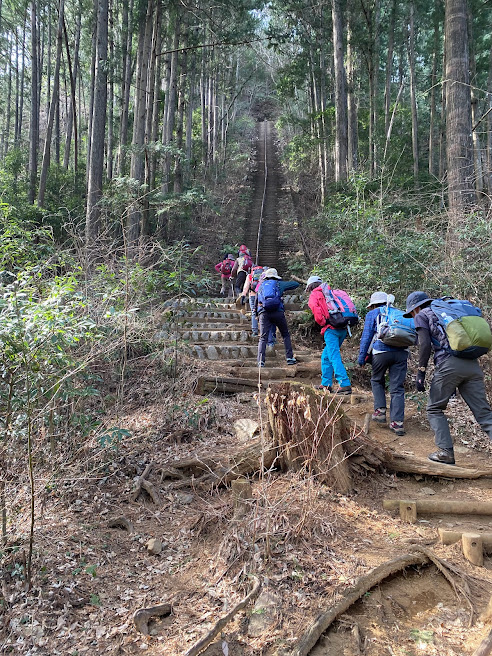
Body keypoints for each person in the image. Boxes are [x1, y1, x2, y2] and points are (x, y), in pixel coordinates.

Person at [403, 291, 492, 464]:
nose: (413, 316)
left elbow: (425, 345)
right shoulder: (448, 312)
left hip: (449, 365)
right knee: (484, 415)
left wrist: (421, 372)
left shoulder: (422, 315)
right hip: (472, 365)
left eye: (411, 313)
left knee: (434, 408)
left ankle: (445, 452)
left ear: (416, 308)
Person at [358, 291, 409, 436]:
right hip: (401, 353)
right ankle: (397, 423)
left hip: (381, 352)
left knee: (376, 379)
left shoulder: (373, 314)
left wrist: (362, 358)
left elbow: (367, 337)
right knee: (397, 388)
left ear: (374, 304)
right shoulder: (400, 313)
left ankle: (380, 411)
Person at [306, 275, 352, 395]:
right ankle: (326, 384)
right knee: (326, 357)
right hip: (342, 328)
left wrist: (323, 322)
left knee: (333, 356)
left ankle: (344, 383)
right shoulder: (331, 293)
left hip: (331, 329)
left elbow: (316, 310)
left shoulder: (315, 294)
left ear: (310, 287)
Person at [255, 268, 299, 367]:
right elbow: (295, 284)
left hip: (264, 313)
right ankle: (289, 358)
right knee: (285, 335)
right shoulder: (279, 284)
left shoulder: (261, 285)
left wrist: (257, 314)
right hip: (278, 312)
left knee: (263, 338)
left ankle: (260, 361)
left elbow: (256, 301)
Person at [240, 266, 276, 346]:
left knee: (254, 312)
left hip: (252, 295)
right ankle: (269, 335)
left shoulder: (250, 276)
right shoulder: (264, 274)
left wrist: (243, 296)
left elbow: (246, 287)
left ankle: (255, 331)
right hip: (261, 296)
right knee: (264, 313)